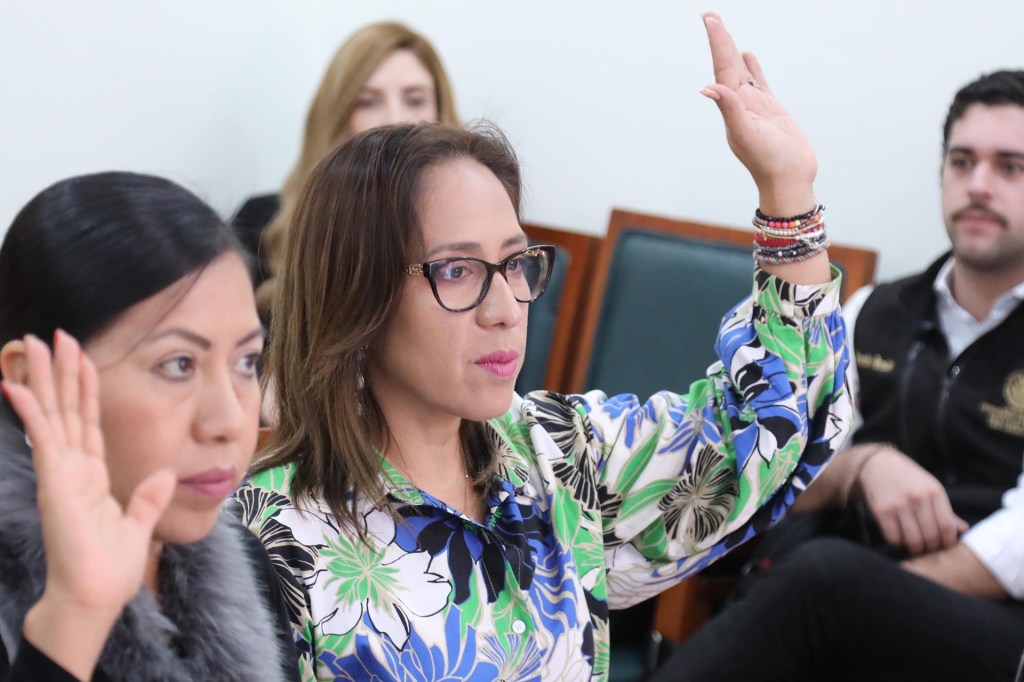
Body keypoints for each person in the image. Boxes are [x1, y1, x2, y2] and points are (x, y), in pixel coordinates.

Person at [235, 13, 851, 680]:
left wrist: (787, 192)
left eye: (515, 263)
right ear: (360, 295)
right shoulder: (268, 538)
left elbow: (759, 433)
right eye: (457, 270)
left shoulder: (556, 454)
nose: (506, 310)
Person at [653, 70, 1024, 681]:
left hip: (994, 625)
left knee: (820, 582)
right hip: (830, 589)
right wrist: (863, 466)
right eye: (963, 162)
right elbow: (780, 470)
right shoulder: (874, 310)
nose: (979, 184)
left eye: (1010, 167)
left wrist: (862, 600)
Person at [0, 172, 300, 681]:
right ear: (32, 378)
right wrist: (73, 617)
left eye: (247, 361)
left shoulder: (251, 565)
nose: (230, 421)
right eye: (178, 364)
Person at [230, 21, 460, 313]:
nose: (395, 119)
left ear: (440, 114)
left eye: (415, 100)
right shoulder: (260, 224)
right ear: (337, 118)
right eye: (368, 102)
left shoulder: (476, 229)